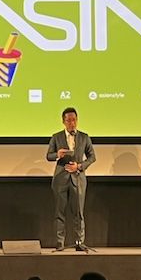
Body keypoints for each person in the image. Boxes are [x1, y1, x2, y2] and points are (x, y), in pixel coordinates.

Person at [46, 107, 96, 251]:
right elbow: (48, 156)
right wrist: (57, 154)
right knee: (60, 212)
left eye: (74, 120)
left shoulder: (84, 137)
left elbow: (92, 157)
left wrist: (79, 166)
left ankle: (79, 242)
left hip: (78, 179)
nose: (72, 123)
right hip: (60, 179)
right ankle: (60, 242)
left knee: (78, 212)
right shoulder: (56, 137)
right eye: (69, 120)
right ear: (63, 121)